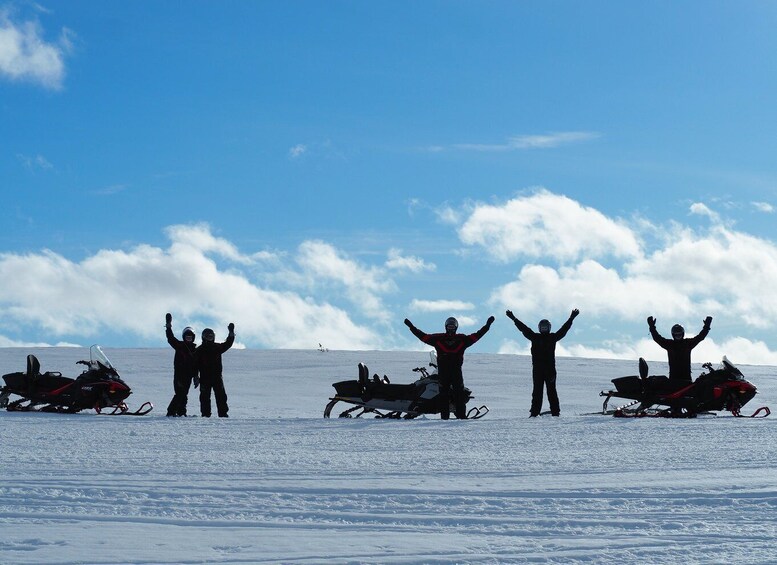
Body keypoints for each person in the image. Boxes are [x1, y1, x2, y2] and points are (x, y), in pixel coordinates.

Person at [404, 315, 494, 419]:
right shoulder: (438, 338)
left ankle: (461, 416)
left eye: (452, 326)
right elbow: (423, 337)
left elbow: (477, 336)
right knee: (443, 395)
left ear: (456, 327)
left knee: (459, 394)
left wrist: (487, 326)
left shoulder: (462, 339)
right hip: (443, 371)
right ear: (446, 327)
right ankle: (444, 418)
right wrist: (411, 327)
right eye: (449, 326)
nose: (451, 328)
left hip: (456, 371)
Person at [506, 309, 579, 417]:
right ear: (540, 328)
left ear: (549, 328)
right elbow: (523, 328)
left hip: (549, 370)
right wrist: (514, 319)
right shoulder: (535, 337)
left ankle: (555, 412)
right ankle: (535, 413)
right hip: (538, 370)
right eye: (543, 327)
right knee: (537, 392)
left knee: (551, 391)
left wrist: (571, 318)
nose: (544, 329)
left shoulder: (551, 337)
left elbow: (564, 330)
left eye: (546, 327)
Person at [647, 316, 712, 384]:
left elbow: (700, 337)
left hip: (686, 379)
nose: (678, 336)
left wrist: (706, 326)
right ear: (673, 335)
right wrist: (652, 327)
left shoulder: (687, 343)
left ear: (682, 334)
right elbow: (657, 338)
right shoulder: (669, 344)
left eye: (679, 334)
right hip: (673, 379)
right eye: (676, 335)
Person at [195, 323, 235, 418]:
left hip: (217, 377)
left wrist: (231, 333)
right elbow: (195, 365)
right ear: (203, 337)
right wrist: (195, 376)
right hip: (204, 377)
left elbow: (228, 344)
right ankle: (205, 415)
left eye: (211, 336)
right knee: (204, 397)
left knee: (221, 396)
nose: (210, 338)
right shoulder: (199, 350)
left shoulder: (217, 347)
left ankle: (223, 414)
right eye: (208, 336)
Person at [164, 313, 199, 417]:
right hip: (179, 375)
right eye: (187, 337)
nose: (189, 339)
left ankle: (181, 412)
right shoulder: (179, 346)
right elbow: (170, 338)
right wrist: (168, 326)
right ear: (184, 337)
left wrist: (196, 376)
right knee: (180, 394)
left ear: (193, 338)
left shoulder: (195, 350)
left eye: (190, 337)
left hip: (188, 376)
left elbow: (195, 365)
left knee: (184, 395)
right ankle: (171, 411)